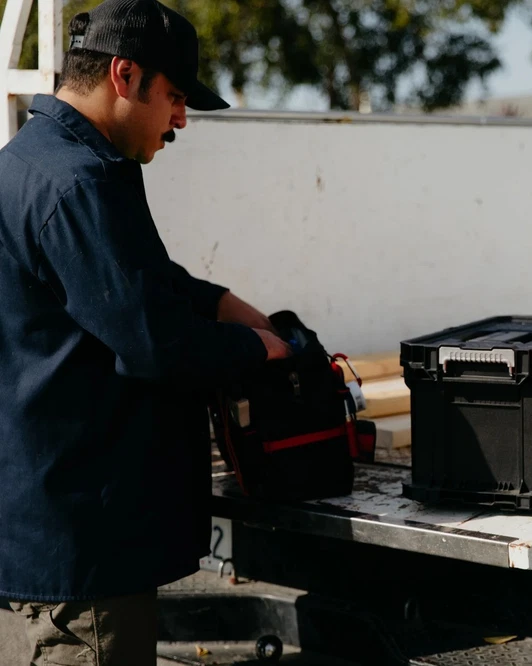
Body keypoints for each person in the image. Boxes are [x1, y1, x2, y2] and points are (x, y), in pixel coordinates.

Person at [0, 0, 293, 663]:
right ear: (125, 75)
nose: (181, 119)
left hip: (45, 528)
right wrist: (259, 348)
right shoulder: (79, 183)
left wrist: (219, 301)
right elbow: (156, 343)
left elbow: (133, 281)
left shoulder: (30, 163)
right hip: (84, 556)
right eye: (176, 97)